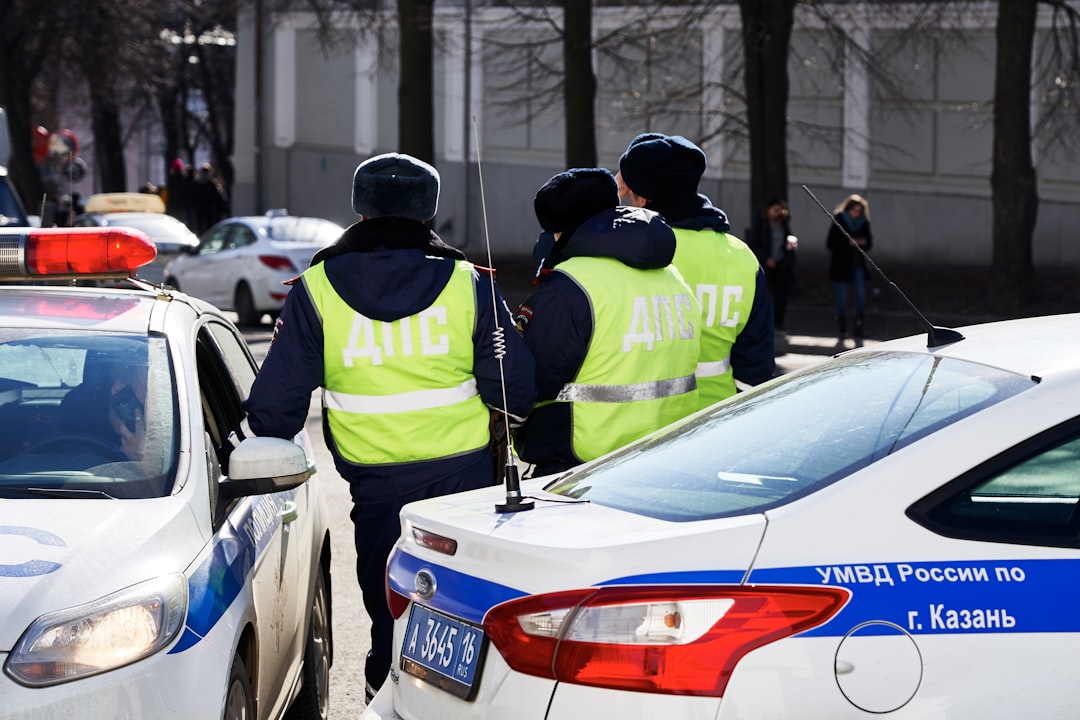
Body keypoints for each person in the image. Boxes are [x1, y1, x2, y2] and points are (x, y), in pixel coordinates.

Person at [241, 152, 534, 701]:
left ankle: (391, 698)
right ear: (430, 213)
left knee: (392, 613)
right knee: (469, 616)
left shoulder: (317, 289)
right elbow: (513, 389)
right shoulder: (467, 282)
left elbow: (273, 411)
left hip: (377, 493)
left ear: (360, 210)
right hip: (466, 488)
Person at [512, 168, 700, 477]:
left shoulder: (569, 287)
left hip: (583, 468)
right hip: (668, 458)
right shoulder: (672, 276)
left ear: (562, 230)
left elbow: (528, 383)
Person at [616, 133, 776, 408]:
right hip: (716, 425)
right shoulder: (741, 257)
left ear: (642, 200)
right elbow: (756, 366)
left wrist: (609, 194)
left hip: (642, 427)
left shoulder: (629, 251)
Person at [826, 193, 873, 339]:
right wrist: (848, 243)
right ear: (849, 209)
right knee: (842, 297)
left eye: (859, 211)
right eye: (854, 210)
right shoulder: (839, 220)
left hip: (857, 264)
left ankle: (859, 326)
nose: (856, 214)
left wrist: (863, 242)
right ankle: (842, 329)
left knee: (860, 295)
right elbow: (830, 243)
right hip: (841, 265)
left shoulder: (863, 222)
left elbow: (869, 242)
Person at [749, 197, 798, 331]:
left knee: (781, 295)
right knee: (765, 295)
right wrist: (766, 258)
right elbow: (753, 244)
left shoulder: (783, 223)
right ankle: (763, 322)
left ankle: (778, 322)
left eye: (780, 210)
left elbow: (787, 240)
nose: (777, 213)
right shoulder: (761, 224)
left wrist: (790, 247)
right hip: (766, 265)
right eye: (775, 210)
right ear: (768, 210)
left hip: (781, 264)